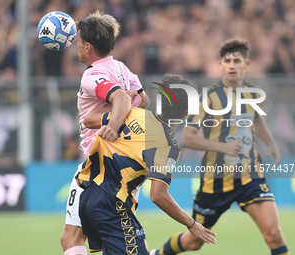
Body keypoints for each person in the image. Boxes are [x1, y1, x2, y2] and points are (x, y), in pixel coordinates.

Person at [150, 38, 290, 255]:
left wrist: (270, 143)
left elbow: (256, 119)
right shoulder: (209, 98)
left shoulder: (253, 94)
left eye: (236, 60)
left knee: (274, 234)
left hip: (249, 176)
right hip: (215, 181)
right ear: (220, 65)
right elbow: (187, 138)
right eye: (227, 61)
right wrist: (223, 148)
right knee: (193, 242)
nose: (232, 65)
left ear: (247, 64)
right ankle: (158, 254)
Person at [76, 74, 217, 255]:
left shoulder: (130, 113)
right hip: (113, 204)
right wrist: (191, 223)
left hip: (88, 196)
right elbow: (158, 195)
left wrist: (121, 100)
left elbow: (88, 120)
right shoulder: (167, 144)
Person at [60, 11, 149, 255]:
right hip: (126, 169)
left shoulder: (92, 75)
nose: (76, 46)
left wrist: (112, 124)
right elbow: (144, 98)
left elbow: (120, 97)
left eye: (78, 42)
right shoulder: (120, 67)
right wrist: (124, 104)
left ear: (88, 46)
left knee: (72, 239)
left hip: (99, 168)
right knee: (115, 240)